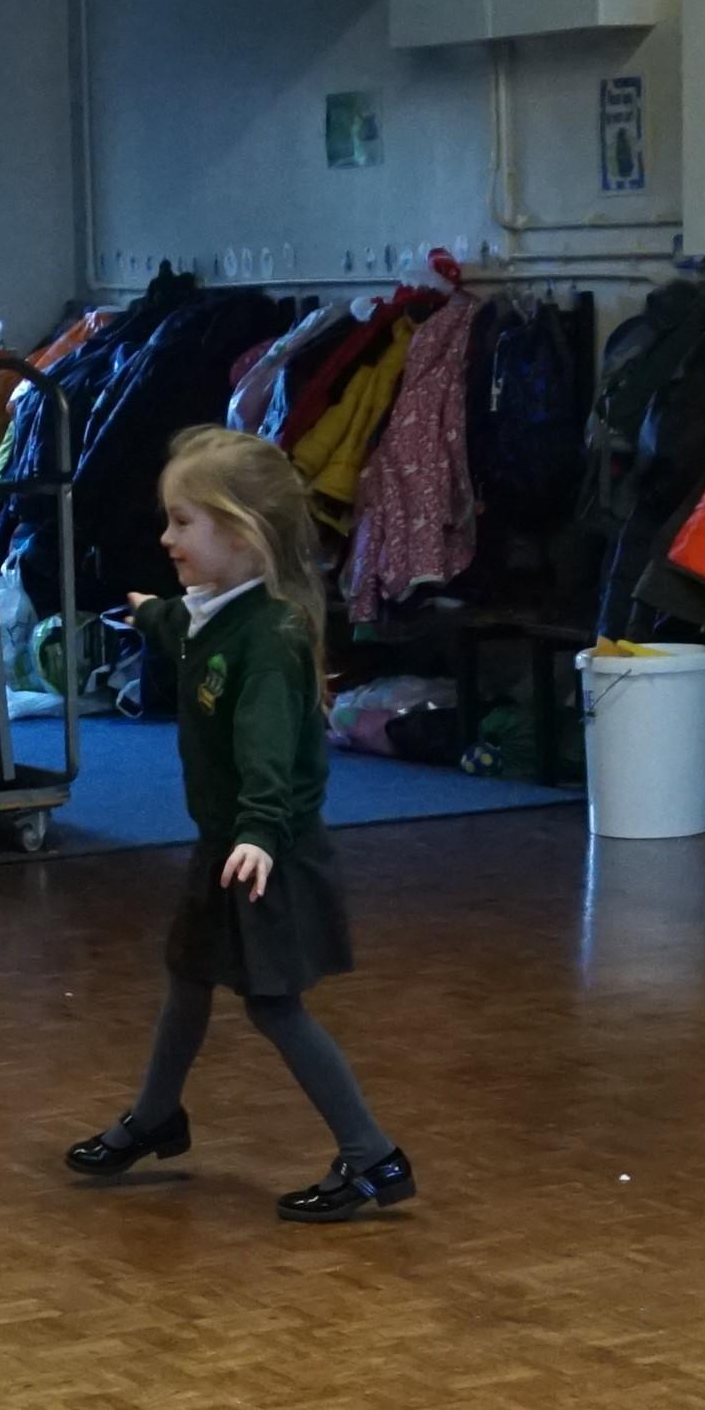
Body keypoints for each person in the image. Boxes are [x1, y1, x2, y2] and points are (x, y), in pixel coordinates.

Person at [64, 427, 416, 1223]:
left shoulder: (269, 640)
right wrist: (147, 613)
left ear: (240, 534)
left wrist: (257, 835)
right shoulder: (215, 616)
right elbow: (183, 628)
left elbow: (267, 755)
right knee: (189, 976)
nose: (166, 537)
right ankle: (156, 1116)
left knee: (272, 1005)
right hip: (226, 846)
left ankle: (372, 1156)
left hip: (266, 853)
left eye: (182, 522)